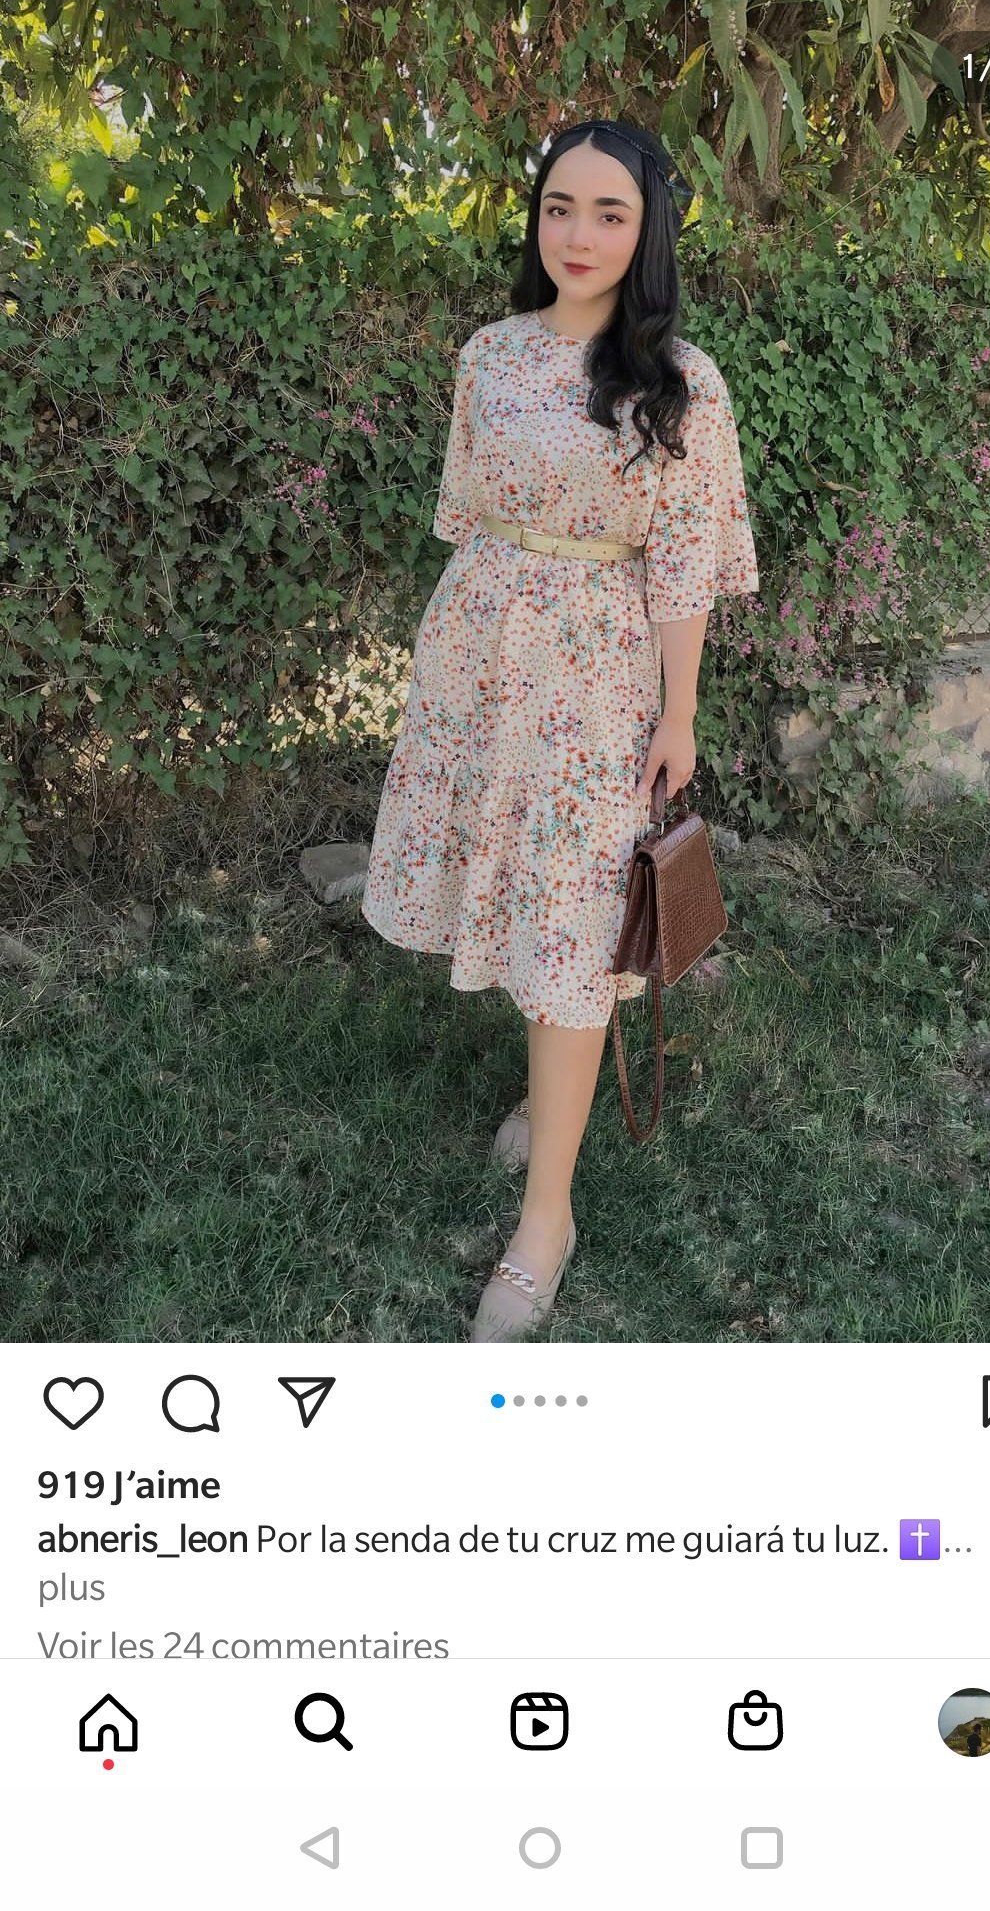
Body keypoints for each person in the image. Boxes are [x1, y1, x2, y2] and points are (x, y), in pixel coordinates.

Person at [360, 117, 760, 1341]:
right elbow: (468, 511)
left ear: (648, 233)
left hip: (599, 680)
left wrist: (679, 712)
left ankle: (547, 1222)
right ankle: (551, 1095)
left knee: (577, 928)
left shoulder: (681, 380)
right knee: (523, 895)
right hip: (481, 658)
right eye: (558, 207)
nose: (578, 234)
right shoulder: (489, 354)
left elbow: (684, 560)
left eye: (609, 213)